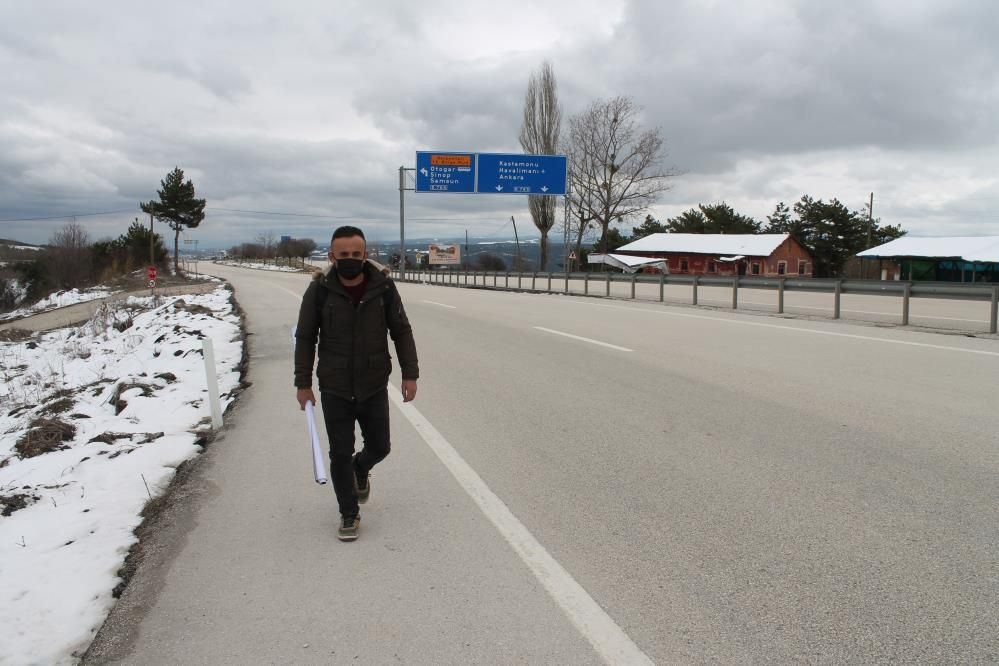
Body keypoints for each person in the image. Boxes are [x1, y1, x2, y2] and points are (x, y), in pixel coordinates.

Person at [294, 226, 419, 541]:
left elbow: (401, 330)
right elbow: (306, 338)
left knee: (380, 447)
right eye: (343, 254)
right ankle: (348, 513)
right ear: (331, 256)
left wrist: (410, 373)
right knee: (339, 452)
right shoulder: (319, 290)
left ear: (365, 255)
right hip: (334, 384)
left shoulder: (383, 287)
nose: (350, 259)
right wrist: (303, 383)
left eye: (356, 254)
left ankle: (360, 468)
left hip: (373, 382)